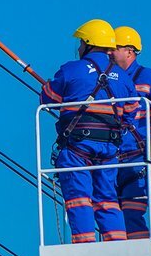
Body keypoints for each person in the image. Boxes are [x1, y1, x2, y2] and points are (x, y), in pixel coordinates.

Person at [41, 19, 136, 243]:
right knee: (108, 198)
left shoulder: (72, 70)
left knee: (79, 198)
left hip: (77, 147)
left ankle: (85, 244)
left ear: (88, 43)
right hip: (109, 149)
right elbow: (131, 113)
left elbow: (49, 99)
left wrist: (48, 85)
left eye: (81, 43)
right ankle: (117, 245)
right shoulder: (123, 77)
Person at [111, 25, 151, 240]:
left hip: (136, 159)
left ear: (130, 50)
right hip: (108, 158)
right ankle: (116, 254)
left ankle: (138, 249)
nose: (110, 52)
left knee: (132, 212)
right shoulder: (107, 79)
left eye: (115, 47)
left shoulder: (150, 78)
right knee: (109, 214)